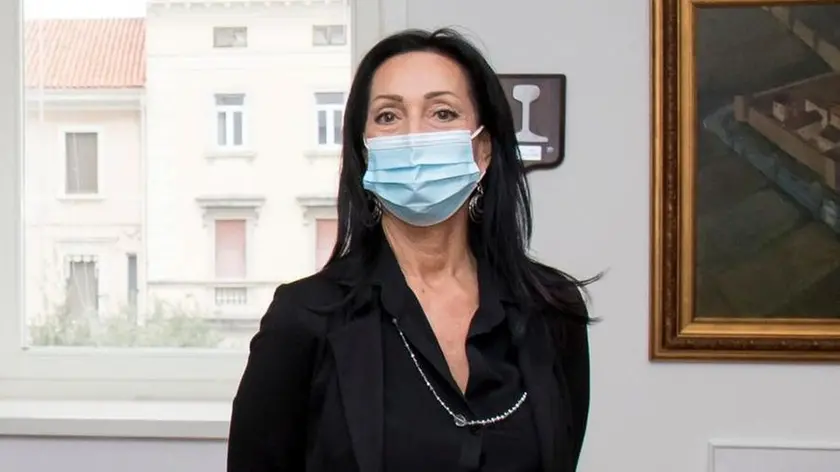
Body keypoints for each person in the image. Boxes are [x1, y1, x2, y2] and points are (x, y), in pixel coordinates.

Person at [227, 27, 597, 472]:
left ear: (482, 151)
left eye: (442, 113)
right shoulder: (304, 317)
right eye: (388, 116)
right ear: (364, 152)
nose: (414, 137)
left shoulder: (552, 311)